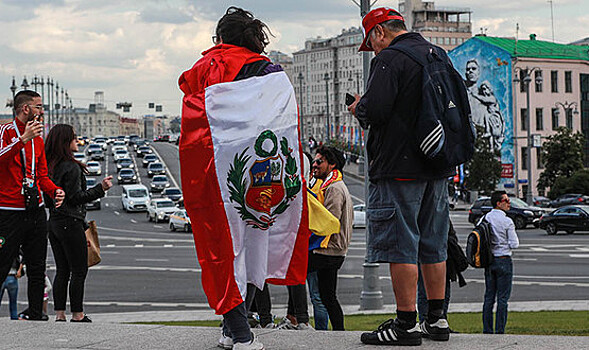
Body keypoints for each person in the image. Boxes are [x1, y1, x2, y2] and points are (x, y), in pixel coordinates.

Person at [179, 7, 306, 350]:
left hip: (220, 176)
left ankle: (239, 331)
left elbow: (196, 117)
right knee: (255, 247)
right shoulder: (272, 73)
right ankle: (234, 327)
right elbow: (286, 123)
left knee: (222, 249)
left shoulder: (209, 66)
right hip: (262, 179)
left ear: (220, 38)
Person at [348, 7, 455, 345]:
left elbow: (377, 110)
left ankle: (406, 324)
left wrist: (358, 108)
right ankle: (437, 320)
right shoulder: (437, 54)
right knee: (434, 244)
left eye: (371, 42)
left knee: (402, 246)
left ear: (380, 31)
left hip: (400, 167)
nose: (374, 50)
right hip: (437, 165)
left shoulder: (390, 60)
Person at [0, 90, 65, 321]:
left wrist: (55, 190)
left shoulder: (39, 138)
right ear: (25, 108)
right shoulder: (7, 131)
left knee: (37, 265)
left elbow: (42, 176)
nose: (42, 111)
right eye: (38, 106)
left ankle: (37, 314)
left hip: (35, 209)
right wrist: (22, 140)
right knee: (3, 263)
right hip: (9, 211)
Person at [45, 124, 113, 322]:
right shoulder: (71, 167)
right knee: (79, 270)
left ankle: (59, 314)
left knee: (62, 270)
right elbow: (75, 198)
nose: (77, 140)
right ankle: (77, 314)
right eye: (74, 137)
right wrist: (101, 188)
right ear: (65, 142)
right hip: (70, 222)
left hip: (54, 223)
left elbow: (50, 197)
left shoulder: (50, 166)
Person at [308, 146, 353, 331]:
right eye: (314, 161)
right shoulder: (334, 185)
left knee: (293, 273)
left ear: (332, 164)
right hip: (334, 251)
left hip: (327, 249)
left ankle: (297, 317)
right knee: (328, 296)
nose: (315, 165)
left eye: (319, 161)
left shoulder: (333, 188)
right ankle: (339, 333)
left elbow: (328, 222)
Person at [417, 222, 467, 331]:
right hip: (434, 257)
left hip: (440, 257)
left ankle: (437, 321)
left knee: (438, 294)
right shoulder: (438, 215)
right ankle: (430, 322)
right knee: (429, 293)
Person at [482, 191, 519, 334]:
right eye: (506, 201)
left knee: (489, 297)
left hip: (490, 260)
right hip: (504, 259)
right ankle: (500, 330)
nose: (509, 203)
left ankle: (487, 330)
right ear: (498, 203)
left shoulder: (485, 218)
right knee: (503, 299)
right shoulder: (507, 221)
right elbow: (514, 244)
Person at [0, 254, 23, 320]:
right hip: (12, 275)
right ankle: (14, 319)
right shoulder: (14, 248)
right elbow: (24, 255)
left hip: (1, 276)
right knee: (13, 303)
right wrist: (19, 270)